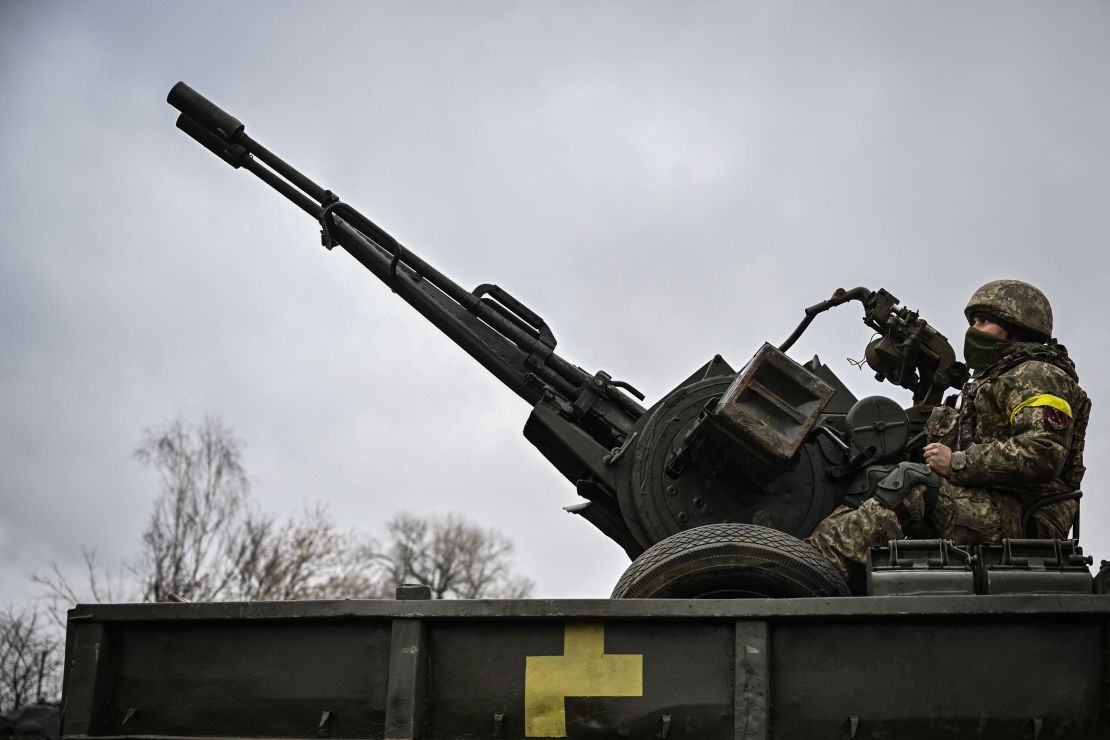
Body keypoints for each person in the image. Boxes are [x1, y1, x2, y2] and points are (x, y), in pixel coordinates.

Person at [805, 279, 1091, 576]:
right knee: (876, 477)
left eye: (985, 322)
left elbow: (1041, 453)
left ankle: (812, 569)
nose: (973, 330)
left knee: (911, 484)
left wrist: (955, 462)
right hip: (990, 501)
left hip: (1024, 517)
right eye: (973, 321)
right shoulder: (987, 383)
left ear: (1015, 329)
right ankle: (808, 553)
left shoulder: (1040, 375)